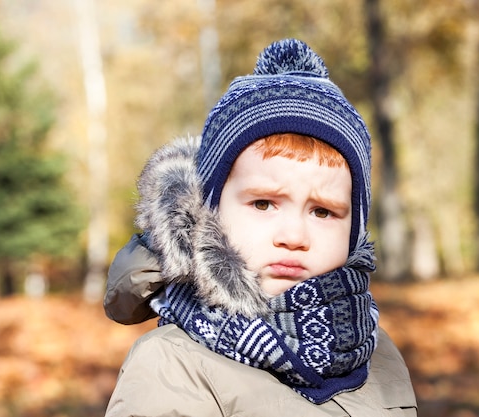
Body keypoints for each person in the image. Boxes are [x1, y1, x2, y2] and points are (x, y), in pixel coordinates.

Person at [104, 38, 417, 417]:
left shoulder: (378, 353)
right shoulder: (172, 364)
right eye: (264, 203)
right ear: (208, 215)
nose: (294, 237)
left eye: (322, 212)